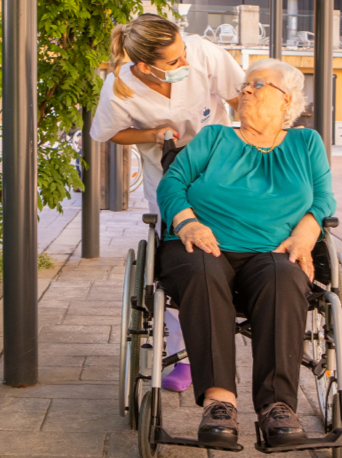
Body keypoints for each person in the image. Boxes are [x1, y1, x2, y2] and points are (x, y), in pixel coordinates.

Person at [156, 58, 336, 448]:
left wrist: (307, 231)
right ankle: (220, 404)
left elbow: (323, 198)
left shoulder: (307, 143)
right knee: (202, 271)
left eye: (259, 84)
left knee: (285, 276)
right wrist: (187, 222)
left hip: (273, 250)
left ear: (286, 100)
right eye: (245, 84)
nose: (246, 90)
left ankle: (277, 408)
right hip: (202, 244)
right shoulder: (214, 137)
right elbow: (172, 183)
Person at [90, 14, 245, 392]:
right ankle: (184, 355)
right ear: (145, 66)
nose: (186, 64)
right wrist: (152, 133)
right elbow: (111, 133)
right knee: (181, 262)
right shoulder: (119, 87)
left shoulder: (203, 53)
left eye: (184, 52)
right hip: (168, 175)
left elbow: (241, 97)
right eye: (174, 62)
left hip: (222, 170)